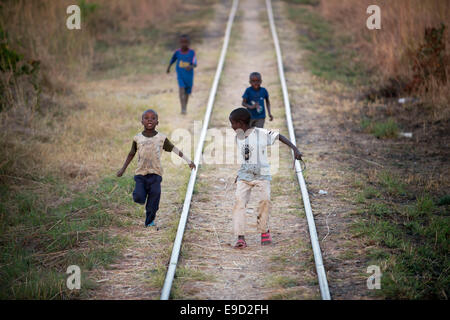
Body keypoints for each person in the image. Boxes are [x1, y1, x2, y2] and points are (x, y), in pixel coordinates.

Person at [228, 108, 302, 248]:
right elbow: (245, 157)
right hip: (245, 175)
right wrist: (240, 173)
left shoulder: (260, 133)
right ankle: (240, 237)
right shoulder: (237, 137)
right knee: (239, 204)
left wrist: (295, 149)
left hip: (262, 174)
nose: (231, 127)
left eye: (232, 123)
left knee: (265, 201)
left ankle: (264, 231)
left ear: (240, 123)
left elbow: (279, 136)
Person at [117, 109, 196, 227]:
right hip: (141, 174)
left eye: (153, 118)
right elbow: (131, 154)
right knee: (139, 196)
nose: (150, 120)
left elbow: (174, 149)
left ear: (157, 122)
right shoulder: (137, 138)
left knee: (154, 199)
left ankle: (149, 221)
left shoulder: (161, 138)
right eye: (146, 118)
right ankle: (140, 198)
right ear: (142, 122)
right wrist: (123, 169)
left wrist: (188, 160)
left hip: (156, 174)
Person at [167, 34, 197, 114]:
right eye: (182, 42)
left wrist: (190, 66)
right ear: (180, 43)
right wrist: (169, 67)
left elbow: (195, 63)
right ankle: (183, 108)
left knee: (187, 92)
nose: (184, 44)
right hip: (180, 75)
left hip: (189, 76)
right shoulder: (177, 52)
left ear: (189, 43)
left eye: (186, 42)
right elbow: (172, 60)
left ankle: (185, 107)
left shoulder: (192, 53)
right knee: (181, 89)